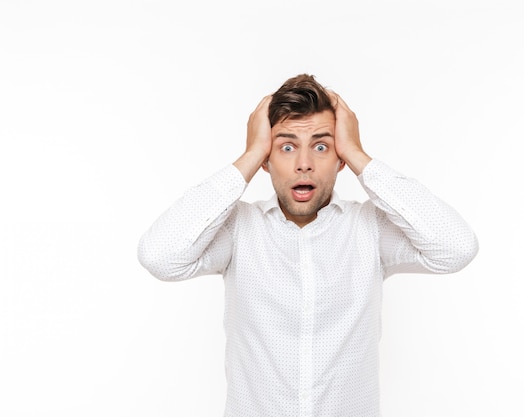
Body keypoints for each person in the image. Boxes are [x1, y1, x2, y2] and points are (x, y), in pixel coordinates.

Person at [137, 74, 479, 417]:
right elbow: (160, 256)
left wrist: (360, 155)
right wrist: (251, 154)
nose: (304, 163)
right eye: (286, 147)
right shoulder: (239, 229)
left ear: (340, 159)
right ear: (267, 161)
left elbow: (456, 248)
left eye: (321, 146)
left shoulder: (369, 228)